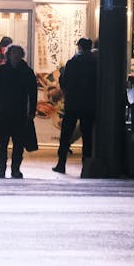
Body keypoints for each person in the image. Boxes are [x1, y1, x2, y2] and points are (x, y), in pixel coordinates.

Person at [0, 43, 38, 179]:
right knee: (2, 143)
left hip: (20, 113)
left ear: (21, 55)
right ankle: (1, 169)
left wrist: (32, 111)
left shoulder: (27, 72)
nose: (15, 55)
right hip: (2, 112)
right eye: (13, 53)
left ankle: (15, 169)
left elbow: (33, 94)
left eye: (18, 53)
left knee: (18, 143)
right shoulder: (1, 70)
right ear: (8, 55)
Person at [53, 37, 97, 174]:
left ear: (79, 47)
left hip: (72, 104)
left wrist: (68, 91)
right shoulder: (96, 63)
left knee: (66, 135)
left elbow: (63, 81)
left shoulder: (72, 62)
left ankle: (61, 164)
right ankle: (86, 167)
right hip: (89, 104)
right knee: (87, 136)